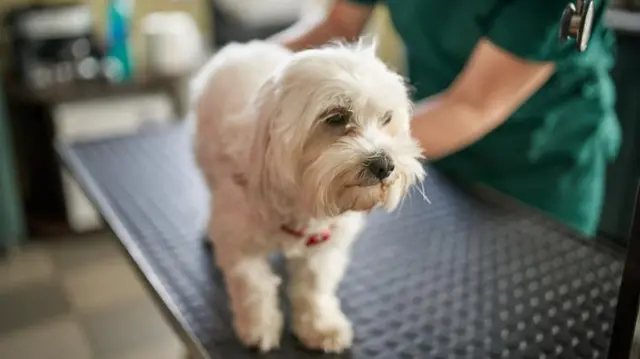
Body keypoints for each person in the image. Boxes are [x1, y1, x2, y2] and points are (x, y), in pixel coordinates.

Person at [271, 0, 621, 237]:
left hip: (541, 165)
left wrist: (336, 167)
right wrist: (245, 72)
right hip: (433, 145)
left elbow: (472, 106)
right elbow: (338, 23)